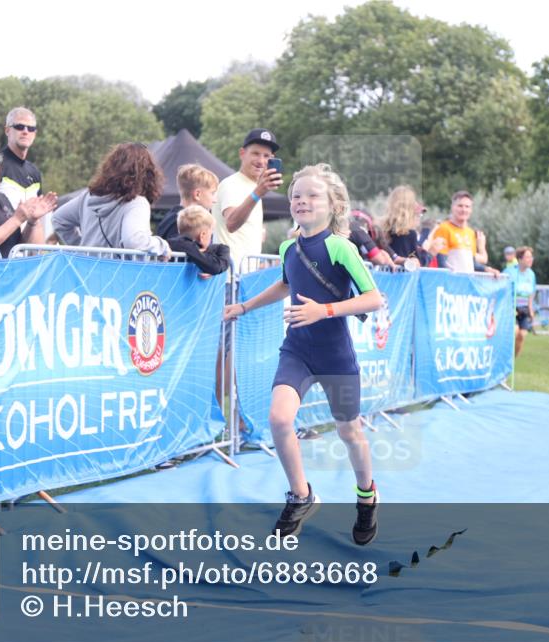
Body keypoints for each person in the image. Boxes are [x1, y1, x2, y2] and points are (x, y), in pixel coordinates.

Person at [223, 163, 383, 544]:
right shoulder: (287, 247)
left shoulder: (340, 247)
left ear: (333, 205)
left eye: (312, 195)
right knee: (279, 419)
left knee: (350, 432)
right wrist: (244, 307)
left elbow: (374, 298)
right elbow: (284, 284)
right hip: (296, 350)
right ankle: (301, 495)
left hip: (335, 356)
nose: (302, 201)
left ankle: (366, 496)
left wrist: (322, 311)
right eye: (296, 196)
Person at [54, 143, 170, 256]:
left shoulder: (87, 197)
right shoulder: (137, 203)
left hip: (86, 271)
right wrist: (162, 245)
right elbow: (134, 241)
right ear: (148, 173)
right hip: (120, 273)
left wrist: (83, 250)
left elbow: (58, 219)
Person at [213, 128, 282, 269]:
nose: (261, 161)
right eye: (255, 153)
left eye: (266, 156)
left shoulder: (252, 187)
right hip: (230, 279)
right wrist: (258, 193)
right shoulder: (232, 184)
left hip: (245, 278)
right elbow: (231, 223)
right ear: (242, 154)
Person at [0, 107, 52, 239]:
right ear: (7, 130)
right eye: (20, 126)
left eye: (31, 128)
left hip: (25, 248)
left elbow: (37, 219)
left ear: (35, 133)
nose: (25, 131)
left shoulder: (34, 172)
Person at [377, 186, 440, 269]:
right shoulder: (407, 234)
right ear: (410, 208)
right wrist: (431, 252)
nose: (419, 216)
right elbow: (416, 264)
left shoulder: (382, 230)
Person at [156, 163, 219, 242]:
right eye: (212, 193)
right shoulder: (179, 223)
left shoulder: (170, 219)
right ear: (197, 194)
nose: (215, 200)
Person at [429, 191, 489, 273]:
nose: (464, 210)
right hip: (451, 283)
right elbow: (441, 263)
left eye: (467, 206)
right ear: (452, 207)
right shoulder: (444, 228)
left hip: (467, 282)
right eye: (460, 206)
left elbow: (471, 263)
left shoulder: (471, 233)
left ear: (471, 210)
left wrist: (488, 269)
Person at [167, 204, 230, 276]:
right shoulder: (189, 247)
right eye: (211, 234)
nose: (211, 237)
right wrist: (210, 269)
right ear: (202, 235)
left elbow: (221, 249)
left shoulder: (170, 244)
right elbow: (216, 267)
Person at [503, 246, 537, 358]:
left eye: (531, 257)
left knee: (522, 335)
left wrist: (531, 310)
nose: (530, 259)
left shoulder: (531, 275)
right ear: (520, 259)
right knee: (515, 331)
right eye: (527, 257)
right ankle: (506, 358)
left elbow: (531, 293)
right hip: (511, 309)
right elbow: (501, 288)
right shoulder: (510, 272)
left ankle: (512, 359)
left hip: (524, 309)